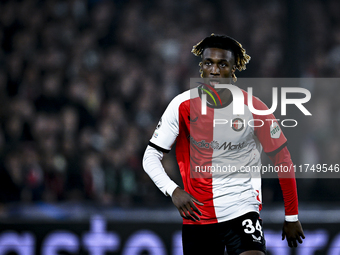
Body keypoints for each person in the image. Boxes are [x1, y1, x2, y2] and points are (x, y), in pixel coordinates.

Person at [142, 34, 305, 255]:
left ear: (234, 68)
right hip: (197, 216)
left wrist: (292, 215)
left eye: (223, 64)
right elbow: (150, 156)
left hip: (242, 210)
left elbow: (283, 160)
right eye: (209, 63)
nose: (215, 70)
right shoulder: (181, 106)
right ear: (201, 67)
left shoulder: (255, 108)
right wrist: (173, 191)